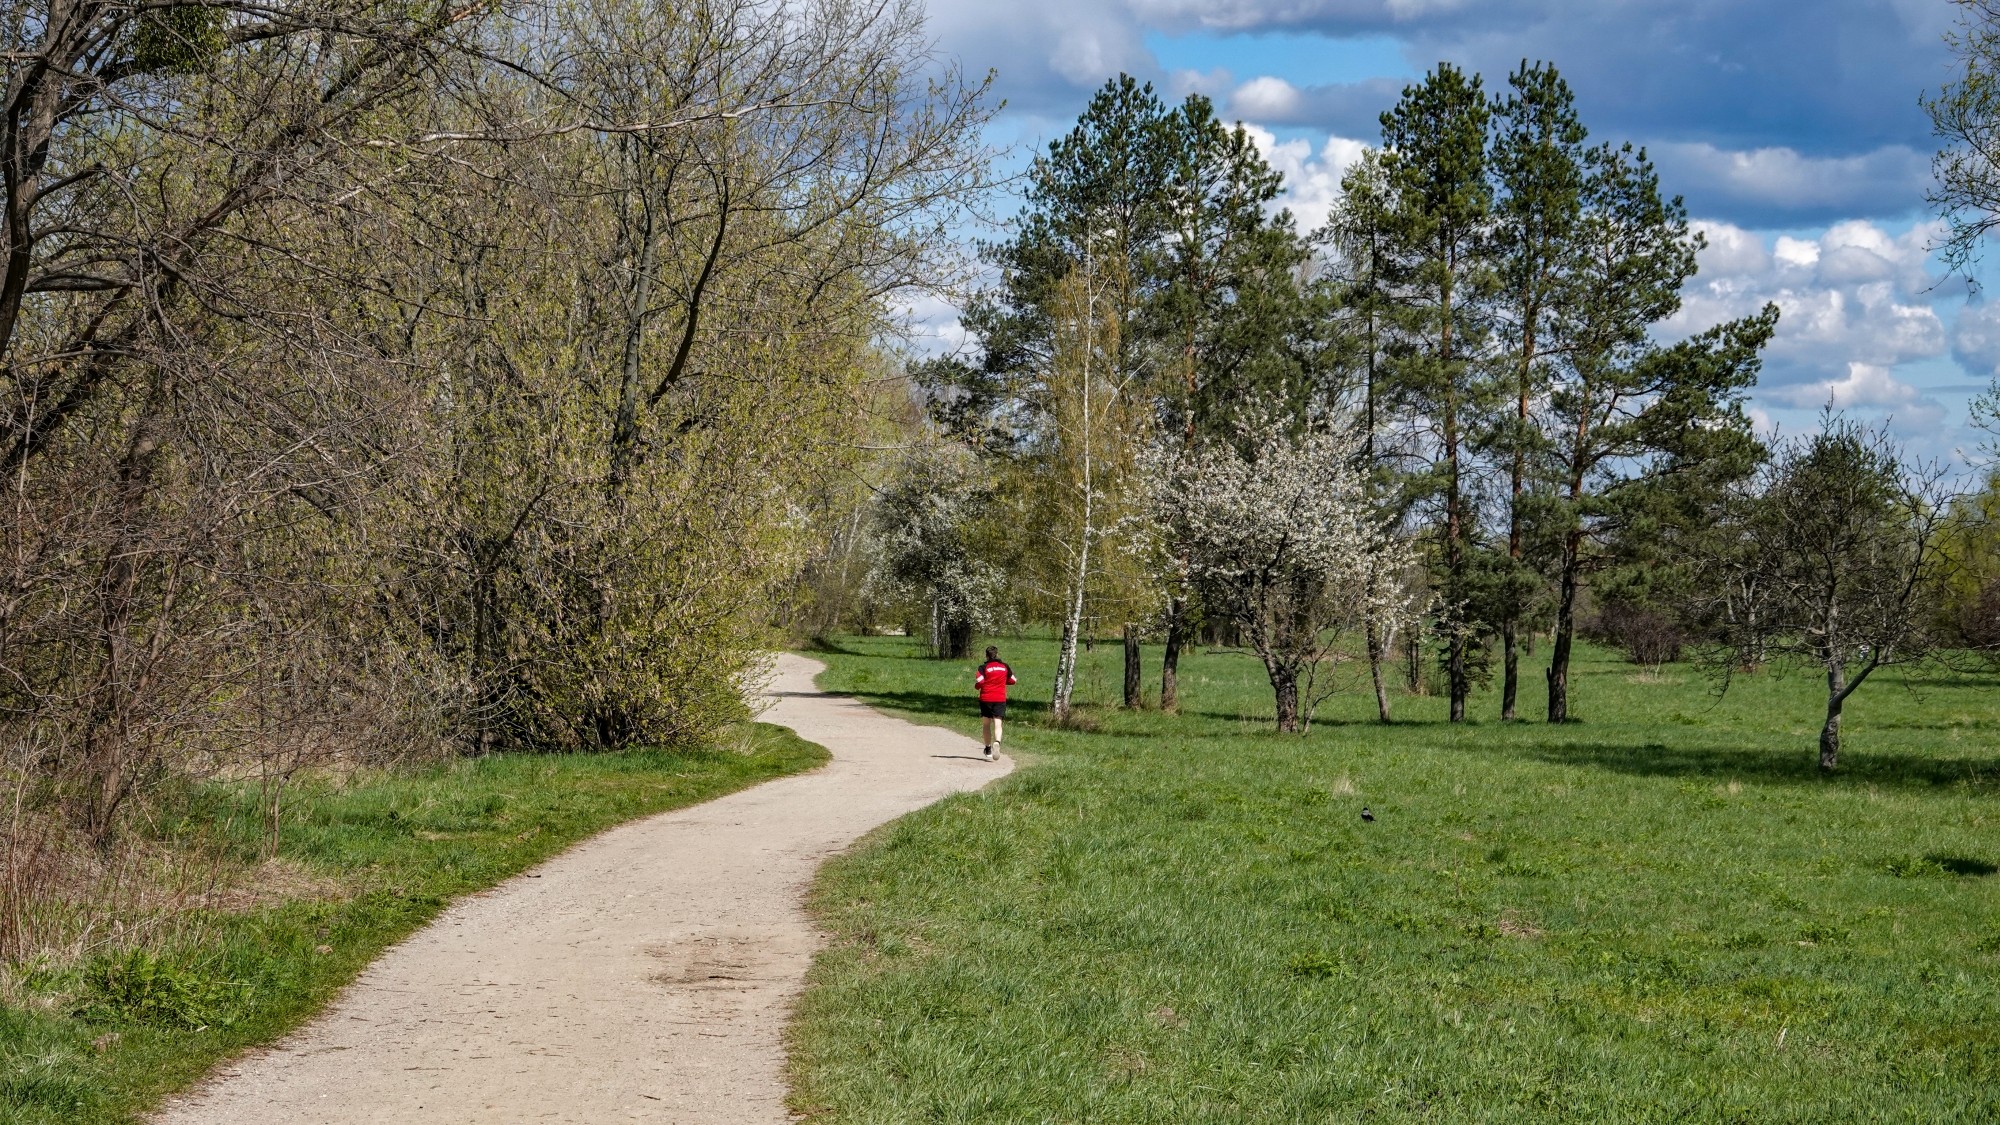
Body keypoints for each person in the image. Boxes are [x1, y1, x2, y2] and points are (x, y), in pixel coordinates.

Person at [973, 646, 1016, 761]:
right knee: (998, 723)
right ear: (996, 654)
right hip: (1000, 698)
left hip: (986, 698)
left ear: (986, 655)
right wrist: (1002, 681)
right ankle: (997, 742)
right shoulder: (1005, 666)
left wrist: (977, 686)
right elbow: (1013, 680)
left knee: (986, 724)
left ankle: (988, 748)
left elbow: (980, 681)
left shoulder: (983, 667)